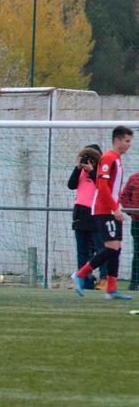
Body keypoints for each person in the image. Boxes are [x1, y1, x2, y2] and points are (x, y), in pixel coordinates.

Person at [72, 125, 134, 300]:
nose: (129, 145)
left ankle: (111, 289)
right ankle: (80, 274)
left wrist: (117, 206)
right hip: (104, 210)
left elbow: (113, 188)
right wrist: (114, 208)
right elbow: (102, 185)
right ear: (118, 140)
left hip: (112, 209)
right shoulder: (107, 158)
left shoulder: (117, 159)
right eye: (127, 141)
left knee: (116, 248)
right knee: (111, 248)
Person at [67, 144, 106, 290]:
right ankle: (85, 280)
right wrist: (78, 168)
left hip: (96, 213)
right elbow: (71, 185)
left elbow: (103, 186)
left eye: (91, 158)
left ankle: (104, 279)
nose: (88, 161)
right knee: (82, 251)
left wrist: (91, 171)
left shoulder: (102, 172)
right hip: (81, 214)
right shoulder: (80, 171)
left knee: (101, 248)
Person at [120, 171, 139, 291]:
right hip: (137, 221)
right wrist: (132, 212)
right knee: (137, 253)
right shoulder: (134, 178)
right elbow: (124, 197)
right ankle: (134, 283)